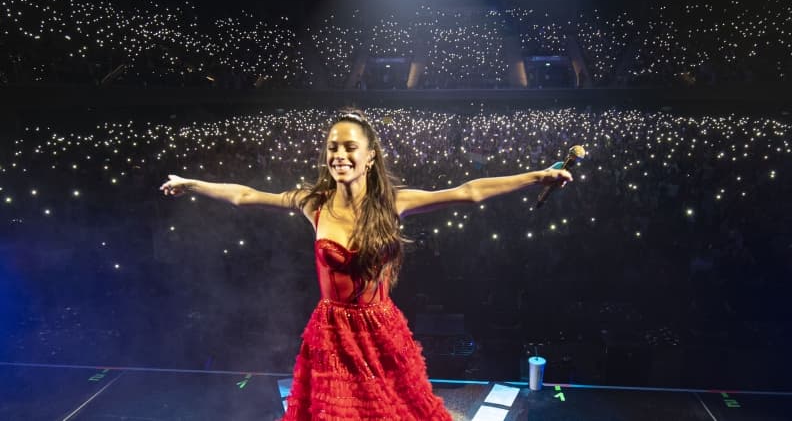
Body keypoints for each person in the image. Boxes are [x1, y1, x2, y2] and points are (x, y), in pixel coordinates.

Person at [159, 108, 573, 420]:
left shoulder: (393, 202)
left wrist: (538, 176)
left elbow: (469, 192)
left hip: (380, 330)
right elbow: (246, 196)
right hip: (333, 332)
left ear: (370, 156)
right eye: (332, 147)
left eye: (349, 147)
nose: (338, 154)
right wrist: (192, 183)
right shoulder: (314, 203)